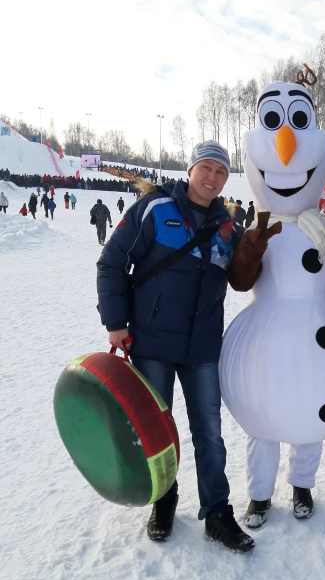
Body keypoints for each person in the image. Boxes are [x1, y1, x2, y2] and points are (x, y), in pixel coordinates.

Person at [96, 140, 254, 553]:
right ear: (191, 170)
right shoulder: (155, 208)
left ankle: (217, 512)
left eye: (220, 171)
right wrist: (116, 323)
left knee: (210, 433)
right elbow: (112, 262)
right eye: (206, 168)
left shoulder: (228, 228)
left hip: (202, 347)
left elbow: (244, 277)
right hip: (152, 344)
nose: (212, 177)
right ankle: (164, 500)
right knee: (155, 432)